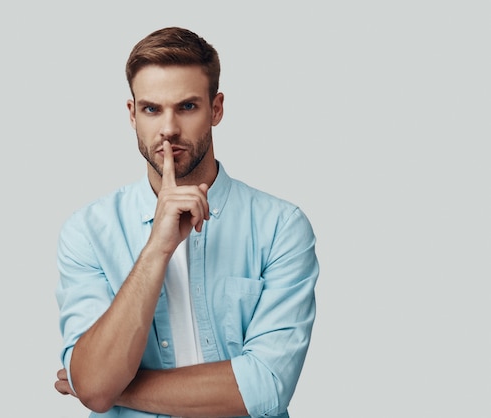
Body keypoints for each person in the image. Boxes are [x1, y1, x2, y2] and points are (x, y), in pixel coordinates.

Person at [54, 26, 319, 418]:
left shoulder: (280, 227)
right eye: (151, 109)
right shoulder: (88, 233)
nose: (168, 129)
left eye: (187, 107)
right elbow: (94, 387)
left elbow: (264, 387)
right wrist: (157, 248)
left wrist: (115, 390)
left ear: (216, 108)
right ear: (132, 115)